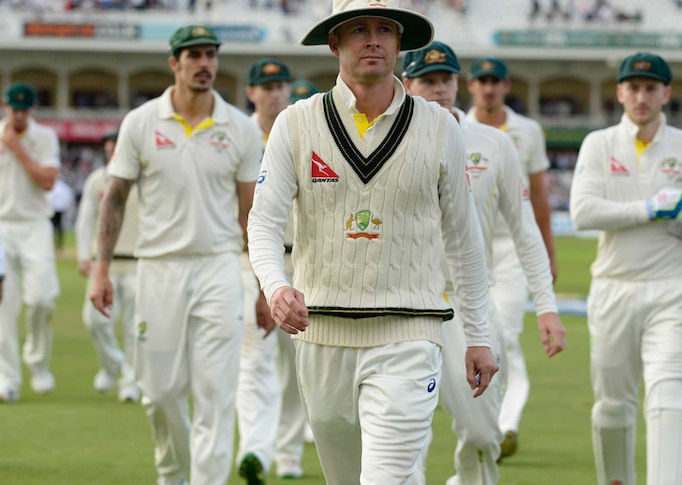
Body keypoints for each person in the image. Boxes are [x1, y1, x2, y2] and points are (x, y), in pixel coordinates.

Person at [247, 1, 499, 482]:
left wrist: (478, 337)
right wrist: (276, 286)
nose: (373, 39)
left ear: (400, 42)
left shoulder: (441, 127)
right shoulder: (296, 124)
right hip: (321, 334)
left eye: (385, 28)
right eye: (358, 29)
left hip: (410, 333)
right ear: (334, 42)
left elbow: (465, 242)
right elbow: (263, 222)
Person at [568, 52, 682, 485]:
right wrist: (650, 209)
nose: (641, 96)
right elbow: (582, 212)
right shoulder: (599, 144)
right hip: (614, 286)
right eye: (633, 87)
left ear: (666, 94)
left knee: (669, 395)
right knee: (613, 405)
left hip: (672, 286)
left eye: (651, 88)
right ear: (620, 92)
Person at [88, 25, 263, 485]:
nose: (204, 63)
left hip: (218, 269)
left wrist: (265, 286)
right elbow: (115, 198)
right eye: (194, 55)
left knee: (215, 394)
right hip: (158, 269)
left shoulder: (241, 129)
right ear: (175, 63)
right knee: (159, 393)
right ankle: (172, 474)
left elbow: (251, 216)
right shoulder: (141, 123)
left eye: (211, 55)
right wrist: (100, 270)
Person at [402, 40, 567, 484]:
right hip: (403, 305)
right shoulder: (387, 142)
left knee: (481, 434)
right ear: (406, 85)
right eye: (428, 81)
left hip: (468, 305)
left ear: (459, 84)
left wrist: (548, 307)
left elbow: (525, 232)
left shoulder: (494, 145)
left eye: (446, 80)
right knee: (402, 439)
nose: (439, 90)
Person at [465, 55, 557, 458]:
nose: (488, 88)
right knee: (491, 334)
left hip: (511, 248)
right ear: (472, 86)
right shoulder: (456, 128)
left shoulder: (527, 131)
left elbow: (537, 194)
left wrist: (547, 253)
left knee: (507, 333)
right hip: (472, 247)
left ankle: (506, 422)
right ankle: (490, 421)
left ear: (505, 87)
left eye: (495, 81)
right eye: (482, 81)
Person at [235, 57, 308, 484]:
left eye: (280, 84)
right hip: (252, 258)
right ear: (252, 93)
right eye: (267, 86)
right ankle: (255, 451)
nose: (275, 92)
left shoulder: (303, 129)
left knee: (299, 362)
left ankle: (290, 453)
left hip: (301, 258)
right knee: (254, 359)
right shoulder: (239, 135)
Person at [0, 82, 61, 403]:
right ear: (5, 106)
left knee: (41, 299)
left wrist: (17, 148)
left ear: (33, 109)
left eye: (25, 109)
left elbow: (48, 181)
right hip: (1, 228)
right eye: (14, 109)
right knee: (3, 306)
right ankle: (7, 379)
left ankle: (37, 362)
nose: (19, 115)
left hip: (35, 225)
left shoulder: (44, 137)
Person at [75, 130, 141, 403]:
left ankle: (130, 382)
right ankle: (112, 363)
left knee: (135, 329)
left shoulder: (142, 179)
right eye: (109, 148)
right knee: (94, 321)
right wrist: (83, 255)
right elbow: (85, 220)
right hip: (106, 264)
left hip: (137, 263)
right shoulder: (96, 180)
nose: (113, 152)